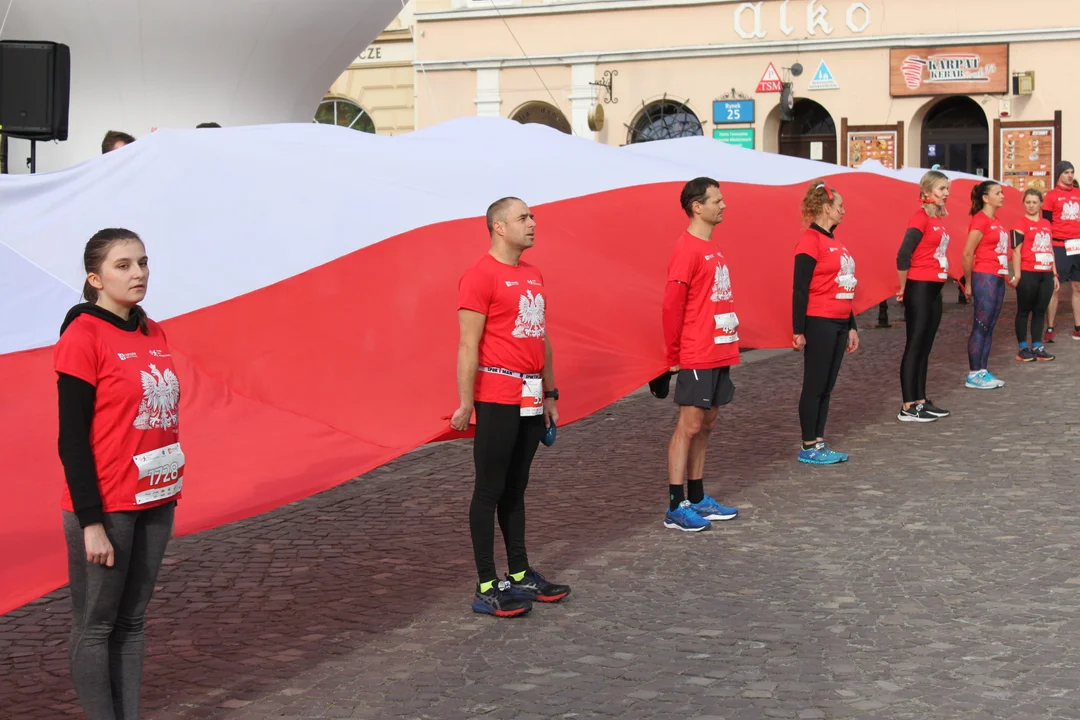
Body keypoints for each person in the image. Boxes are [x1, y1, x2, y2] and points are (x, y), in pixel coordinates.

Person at [55, 229, 183, 720]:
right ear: (95, 279)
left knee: (132, 622)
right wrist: (91, 521)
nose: (139, 274)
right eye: (124, 265)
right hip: (108, 508)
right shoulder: (82, 337)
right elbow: (71, 439)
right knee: (96, 626)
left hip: (157, 497)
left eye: (143, 262)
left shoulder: (154, 332)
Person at [450, 197, 570, 618]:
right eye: (524, 218)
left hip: (533, 396)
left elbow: (541, 336)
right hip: (497, 396)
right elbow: (468, 343)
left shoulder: (534, 274)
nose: (533, 223)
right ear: (499, 227)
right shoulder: (479, 276)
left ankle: (519, 574)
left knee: (516, 488)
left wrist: (551, 394)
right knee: (489, 490)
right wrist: (467, 402)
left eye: (532, 216)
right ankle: (487, 585)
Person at [661, 177, 741, 532]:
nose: (723, 205)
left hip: (719, 349)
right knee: (689, 426)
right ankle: (676, 505)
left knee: (708, 425)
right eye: (716, 200)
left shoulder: (713, 247)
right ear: (698, 206)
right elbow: (671, 305)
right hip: (697, 350)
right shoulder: (687, 249)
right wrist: (673, 353)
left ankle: (697, 495)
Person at [792, 180, 860, 462]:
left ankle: (819, 441)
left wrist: (852, 324)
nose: (843, 211)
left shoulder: (835, 240)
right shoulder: (810, 240)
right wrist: (798, 330)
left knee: (828, 385)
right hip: (819, 320)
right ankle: (808, 445)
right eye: (840, 206)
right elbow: (800, 288)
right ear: (825, 207)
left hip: (840, 320)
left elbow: (843, 283)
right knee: (815, 384)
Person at [895, 170, 953, 422]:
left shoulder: (938, 218)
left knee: (926, 346)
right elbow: (903, 254)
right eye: (942, 189)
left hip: (934, 289)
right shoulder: (920, 217)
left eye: (947, 189)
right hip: (919, 286)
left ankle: (920, 400)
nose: (946, 194)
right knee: (915, 344)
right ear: (927, 192)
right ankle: (908, 405)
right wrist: (903, 287)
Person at [962, 181, 1010, 389]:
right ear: (985, 197)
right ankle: (973, 373)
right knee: (980, 325)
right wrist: (969, 283)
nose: (1002, 197)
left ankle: (982, 370)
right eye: (998, 193)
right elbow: (967, 252)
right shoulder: (980, 220)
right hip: (985, 275)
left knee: (989, 326)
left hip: (998, 275)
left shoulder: (996, 221)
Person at [1010, 188, 1058, 361]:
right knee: (1024, 311)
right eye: (1028, 202)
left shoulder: (1046, 223)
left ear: (1041, 204)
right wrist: (1017, 275)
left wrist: (1054, 273)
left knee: (1040, 311)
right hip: (1028, 272)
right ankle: (1023, 348)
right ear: (1024, 204)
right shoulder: (1019, 225)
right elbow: (1016, 251)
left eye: (1034, 202)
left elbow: (1049, 248)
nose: (1031, 206)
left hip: (1045, 274)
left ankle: (1037, 345)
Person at [1042, 161, 1080, 342]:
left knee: (1078, 287)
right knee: (1055, 288)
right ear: (1059, 174)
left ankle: (1078, 328)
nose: (1070, 175)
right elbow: (1045, 224)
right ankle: (1050, 327)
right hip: (1059, 245)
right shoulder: (1050, 197)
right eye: (1066, 172)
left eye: (1072, 172)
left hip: (1078, 246)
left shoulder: (1079, 194)